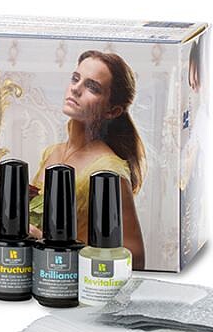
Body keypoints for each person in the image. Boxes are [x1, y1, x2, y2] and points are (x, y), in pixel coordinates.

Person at [30, 50, 147, 268]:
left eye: (92, 87)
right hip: (45, 273)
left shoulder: (108, 169)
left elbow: (136, 258)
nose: (76, 88)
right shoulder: (52, 153)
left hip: (79, 279)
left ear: (112, 111)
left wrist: (47, 242)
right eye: (75, 78)